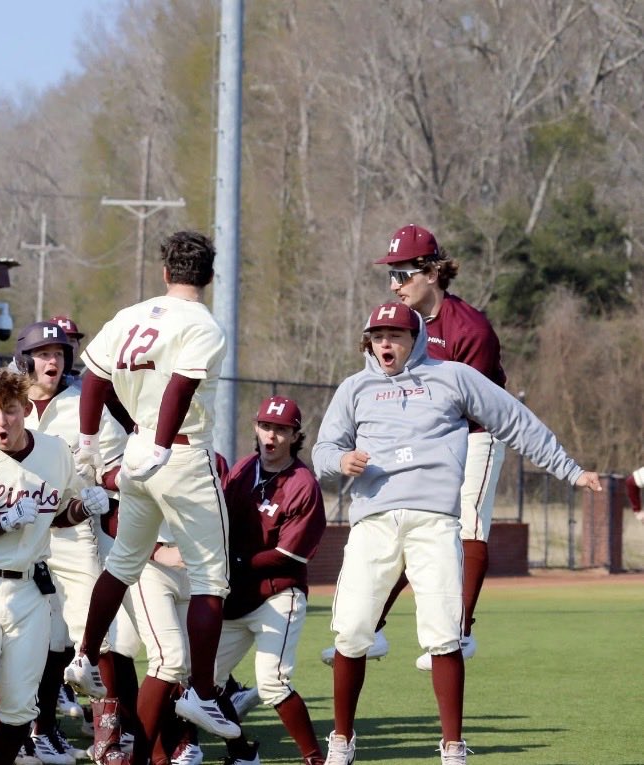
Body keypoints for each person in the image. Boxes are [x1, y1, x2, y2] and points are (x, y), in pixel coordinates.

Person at [311, 302, 603, 765]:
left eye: (396, 335)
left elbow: (515, 421)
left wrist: (569, 470)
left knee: (444, 633)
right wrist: (340, 460)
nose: (386, 343)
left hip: (434, 521)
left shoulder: (453, 377)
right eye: (378, 336)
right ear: (369, 342)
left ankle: (452, 747)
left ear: (416, 339)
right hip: (373, 521)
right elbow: (323, 450)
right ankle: (342, 741)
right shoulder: (354, 388)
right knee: (350, 630)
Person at [64, 230, 240, 752]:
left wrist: (89, 440)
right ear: (209, 276)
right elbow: (182, 386)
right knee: (211, 579)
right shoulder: (202, 323)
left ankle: (84, 655)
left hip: (137, 449)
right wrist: (164, 444)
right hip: (179, 452)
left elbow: (94, 377)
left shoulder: (130, 315)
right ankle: (202, 693)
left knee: (123, 563)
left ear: (166, 272)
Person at [321, 224, 511, 670]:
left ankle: (460, 632)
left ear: (432, 272)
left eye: (403, 274)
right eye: (391, 275)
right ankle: (373, 630)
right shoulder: (400, 324)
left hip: (475, 433)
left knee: (466, 523)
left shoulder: (471, 328)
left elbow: (475, 405)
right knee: (404, 522)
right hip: (418, 437)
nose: (394, 284)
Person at [0, 369, 111, 765]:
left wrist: (84, 508)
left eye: (11, 410)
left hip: (30, 589)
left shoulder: (54, 451)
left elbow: (58, 514)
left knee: (18, 704)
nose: (3, 420)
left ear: (27, 410)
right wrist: (2, 522)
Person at [16, 320, 128, 765]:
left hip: (74, 531)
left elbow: (117, 464)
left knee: (95, 637)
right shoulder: (10, 404)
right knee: (37, 640)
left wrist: (108, 485)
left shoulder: (85, 403)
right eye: (44, 353)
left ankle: (109, 738)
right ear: (25, 359)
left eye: (59, 354)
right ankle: (38, 732)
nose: (53, 361)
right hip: (19, 535)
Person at [216, 396, 326, 765]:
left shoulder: (303, 484)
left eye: (281, 429)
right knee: (202, 681)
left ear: (295, 435)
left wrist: (235, 560)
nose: (272, 436)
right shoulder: (244, 468)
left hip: (278, 594)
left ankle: (315, 759)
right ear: (256, 428)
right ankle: (241, 754)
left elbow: (289, 555)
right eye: (266, 426)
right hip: (238, 595)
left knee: (273, 683)